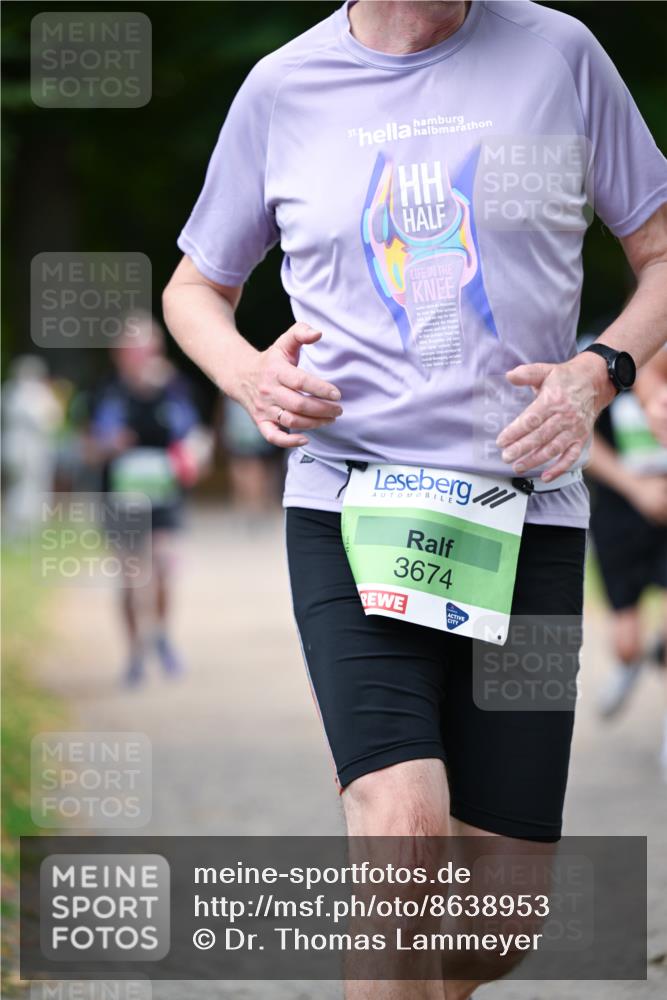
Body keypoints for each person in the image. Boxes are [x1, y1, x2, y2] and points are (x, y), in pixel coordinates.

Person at [163, 2, 667, 996]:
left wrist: (599, 370)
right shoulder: (284, 86)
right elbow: (193, 290)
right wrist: (248, 375)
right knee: (401, 831)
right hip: (351, 504)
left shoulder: (558, 55)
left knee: (496, 920)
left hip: (529, 512)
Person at [89, 313, 204, 686]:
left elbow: (195, 438)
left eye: (149, 347)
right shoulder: (106, 392)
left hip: (163, 496)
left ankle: (161, 636)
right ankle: (134, 651)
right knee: (130, 578)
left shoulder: (174, 390)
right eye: (135, 347)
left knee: (163, 567)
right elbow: (87, 448)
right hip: (121, 500)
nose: (143, 354)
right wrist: (109, 445)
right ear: (119, 353)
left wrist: (192, 457)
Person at [2, 355, 62, 538]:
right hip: (24, 447)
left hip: (30, 446)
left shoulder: (12, 391)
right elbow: (47, 419)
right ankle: (22, 523)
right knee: (24, 485)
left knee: (33, 485)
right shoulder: (22, 392)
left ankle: (30, 523)